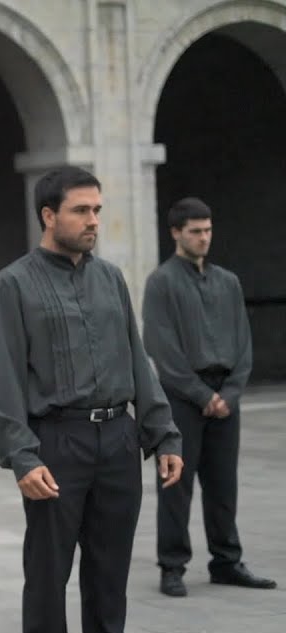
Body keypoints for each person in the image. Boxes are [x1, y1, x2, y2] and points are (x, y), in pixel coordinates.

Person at [0, 166, 184, 633]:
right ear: (49, 215)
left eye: (97, 209)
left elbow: (137, 358)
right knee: (48, 576)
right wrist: (21, 455)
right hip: (57, 444)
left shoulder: (112, 279)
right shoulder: (14, 284)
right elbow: (4, 381)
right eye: (81, 210)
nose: (93, 220)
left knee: (109, 571)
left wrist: (162, 430)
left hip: (118, 440)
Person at [142, 197, 276, 597]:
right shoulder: (162, 282)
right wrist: (201, 394)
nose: (204, 238)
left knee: (223, 484)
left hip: (225, 398)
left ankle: (226, 561)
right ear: (176, 233)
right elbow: (160, 346)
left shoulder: (228, 282)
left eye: (208, 230)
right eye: (195, 231)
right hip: (182, 397)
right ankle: (172, 565)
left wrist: (230, 393)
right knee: (175, 482)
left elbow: (243, 343)